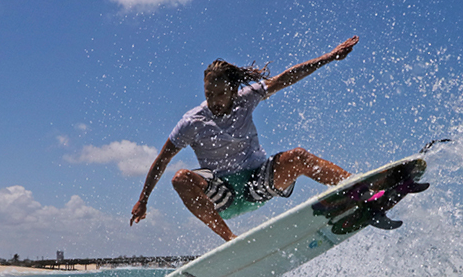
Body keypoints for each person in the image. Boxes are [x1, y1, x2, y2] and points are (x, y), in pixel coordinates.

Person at [129, 36, 359, 241]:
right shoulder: (192, 122)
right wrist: (143, 200)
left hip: (258, 184)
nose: (214, 101)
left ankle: (357, 186)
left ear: (233, 90)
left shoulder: (246, 98)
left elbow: (286, 78)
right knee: (180, 178)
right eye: (209, 94)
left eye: (220, 94)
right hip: (222, 194)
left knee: (298, 156)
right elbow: (162, 160)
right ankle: (230, 239)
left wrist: (329, 57)